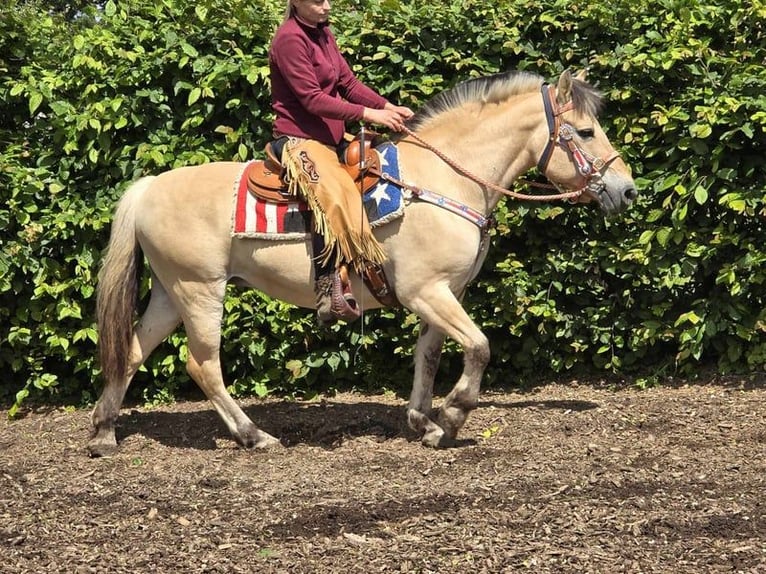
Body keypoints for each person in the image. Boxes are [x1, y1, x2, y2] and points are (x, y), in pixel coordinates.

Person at [269, 0, 414, 325]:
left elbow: (348, 84)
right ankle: (325, 289)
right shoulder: (289, 39)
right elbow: (312, 99)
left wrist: (388, 106)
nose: (327, 6)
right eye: (318, 1)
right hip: (299, 140)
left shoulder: (323, 33)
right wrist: (369, 114)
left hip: (332, 139)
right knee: (334, 193)